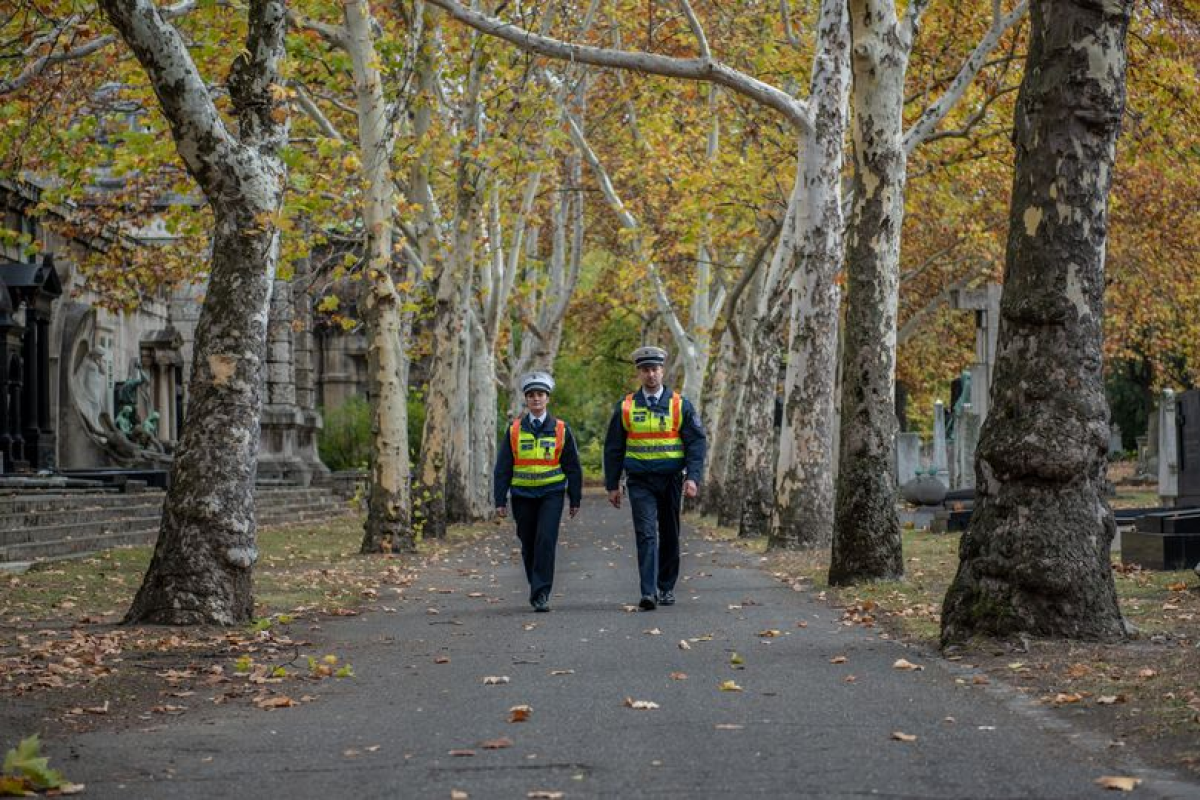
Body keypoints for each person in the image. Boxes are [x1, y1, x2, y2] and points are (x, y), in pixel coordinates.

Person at [604, 346, 706, 611]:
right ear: (639, 373)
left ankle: (666, 587)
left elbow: (696, 443)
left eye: (655, 369)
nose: (651, 374)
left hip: (671, 479)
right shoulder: (625, 407)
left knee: (670, 533)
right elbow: (613, 448)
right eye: (646, 369)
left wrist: (692, 478)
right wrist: (612, 485)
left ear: (663, 371)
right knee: (646, 533)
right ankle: (648, 592)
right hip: (639, 482)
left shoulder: (680, 405)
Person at [494, 371, 583, 612]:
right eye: (531, 395)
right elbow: (503, 467)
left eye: (540, 395)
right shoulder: (514, 430)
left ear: (547, 399)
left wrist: (575, 498)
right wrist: (500, 500)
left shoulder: (561, 429)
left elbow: (573, 466)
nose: (536, 399)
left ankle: (541, 591)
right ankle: (536, 582)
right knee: (528, 542)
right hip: (522, 496)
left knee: (545, 540)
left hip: (551, 494)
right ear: (526, 399)